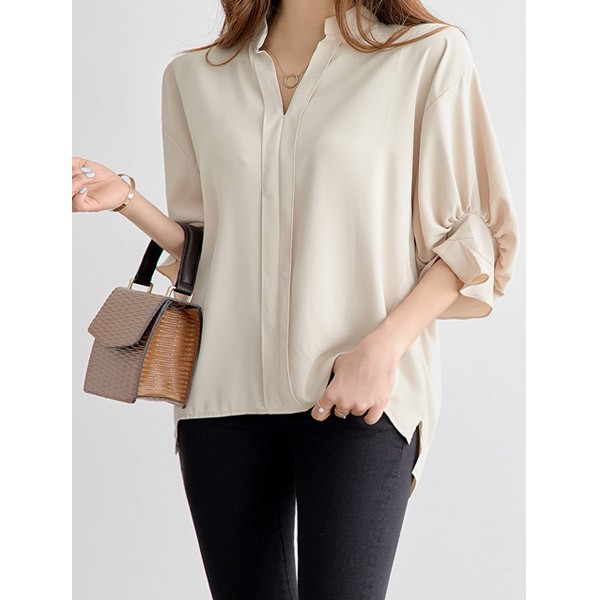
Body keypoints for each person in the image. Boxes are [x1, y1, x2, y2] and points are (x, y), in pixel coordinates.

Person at [72, 1, 520, 598]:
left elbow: (474, 237)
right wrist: (127, 201)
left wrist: (382, 350)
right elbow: (208, 244)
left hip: (358, 394)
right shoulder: (193, 77)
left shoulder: (426, 55)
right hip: (221, 399)